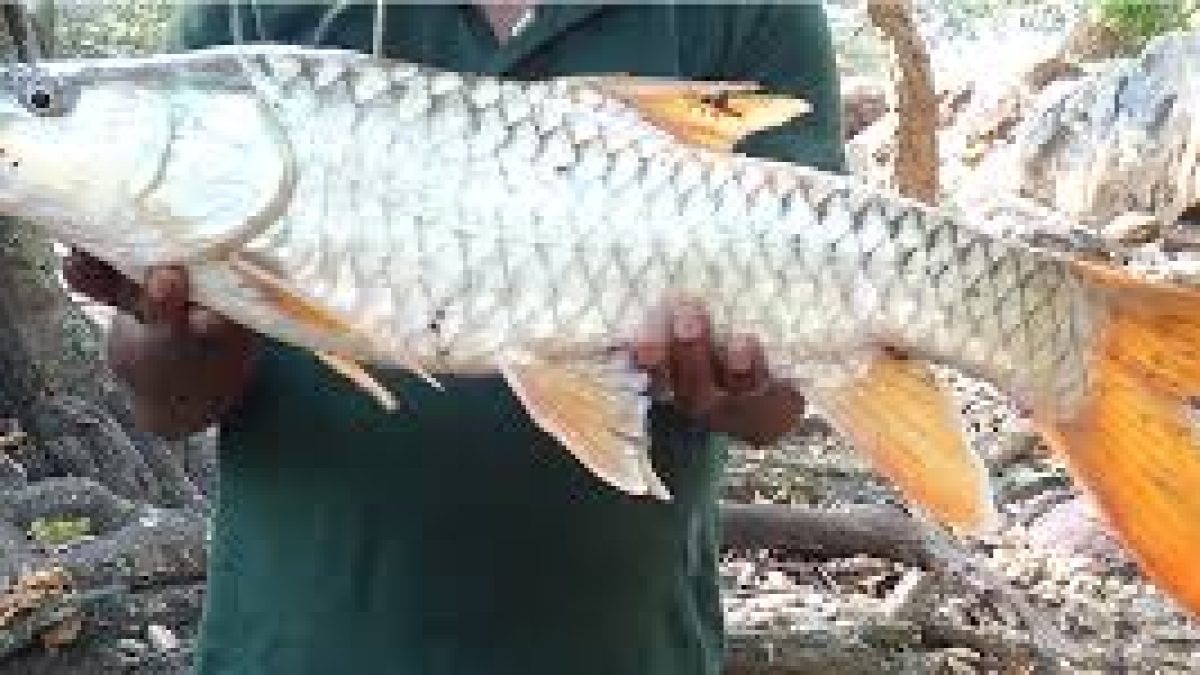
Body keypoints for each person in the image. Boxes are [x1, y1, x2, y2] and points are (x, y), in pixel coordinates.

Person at [64, 3, 847, 674]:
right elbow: (163, 401)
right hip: (302, 643)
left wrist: (731, 376)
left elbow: (777, 409)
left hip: (620, 645)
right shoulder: (248, 23)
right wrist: (185, 324)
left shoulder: (752, 11)